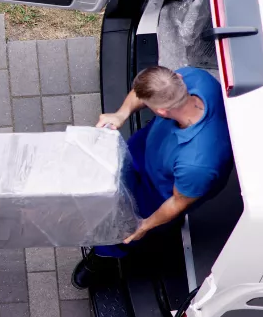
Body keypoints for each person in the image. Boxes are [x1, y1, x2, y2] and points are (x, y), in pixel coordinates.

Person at [73, 65, 233, 288]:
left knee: (121, 227)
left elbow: (178, 202)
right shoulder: (194, 78)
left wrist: (145, 225)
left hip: (160, 192)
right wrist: (122, 114)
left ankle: (103, 257)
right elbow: (142, 92)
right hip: (149, 148)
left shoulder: (198, 163)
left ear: (161, 113)